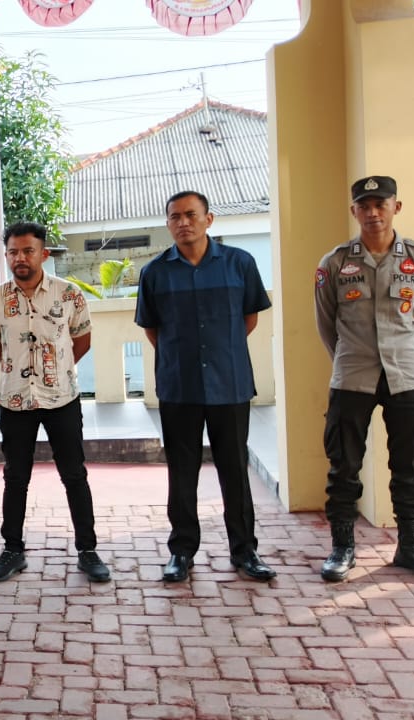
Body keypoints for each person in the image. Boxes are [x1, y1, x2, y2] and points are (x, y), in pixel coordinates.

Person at [314, 175, 414, 582]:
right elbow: (326, 322)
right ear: (354, 211)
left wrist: (400, 348)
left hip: (405, 375)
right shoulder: (334, 262)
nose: (373, 213)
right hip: (352, 376)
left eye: (381, 204)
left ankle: (410, 546)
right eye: (364, 206)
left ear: (396, 207)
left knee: (409, 466)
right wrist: (348, 357)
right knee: (344, 466)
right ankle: (342, 547)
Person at [135, 191, 276, 584]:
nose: (183, 223)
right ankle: (181, 551)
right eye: (175, 217)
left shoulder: (239, 264)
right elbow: (152, 328)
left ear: (208, 219)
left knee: (235, 470)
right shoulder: (154, 273)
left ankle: (245, 551)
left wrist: (219, 351)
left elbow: (249, 318)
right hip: (179, 386)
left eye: (191, 215)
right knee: (182, 472)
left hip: (229, 383)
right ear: (168, 223)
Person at [0, 223, 110, 583]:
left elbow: (81, 341)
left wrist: (56, 373)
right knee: (15, 477)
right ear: (6, 255)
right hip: (15, 401)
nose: (20, 258)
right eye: (13, 252)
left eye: (28, 251)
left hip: (62, 399)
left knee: (74, 475)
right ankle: (12, 550)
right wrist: (20, 371)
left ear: (44, 254)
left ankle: (87, 550)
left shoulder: (69, 294)